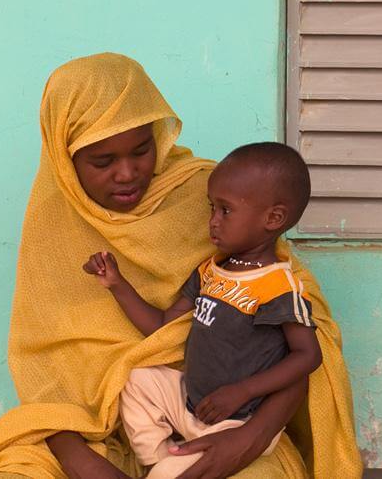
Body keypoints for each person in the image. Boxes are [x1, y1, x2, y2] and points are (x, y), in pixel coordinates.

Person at [0, 53, 360, 479]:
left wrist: (249, 438)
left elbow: (307, 341)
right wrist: (81, 460)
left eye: (142, 150)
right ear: (65, 159)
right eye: (102, 162)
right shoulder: (52, 230)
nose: (127, 173)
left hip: (229, 420)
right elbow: (46, 373)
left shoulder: (212, 196)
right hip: (88, 431)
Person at [83, 142, 321, 478]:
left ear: (273, 218)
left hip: (237, 420)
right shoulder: (210, 271)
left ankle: (168, 468)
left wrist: (243, 391)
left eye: (225, 211)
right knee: (136, 380)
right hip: (191, 404)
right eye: (212, 208)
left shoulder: (278, 287)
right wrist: (117, 283)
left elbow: (307, 355)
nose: (212, 222)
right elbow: (162, 325)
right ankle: (159, 457)